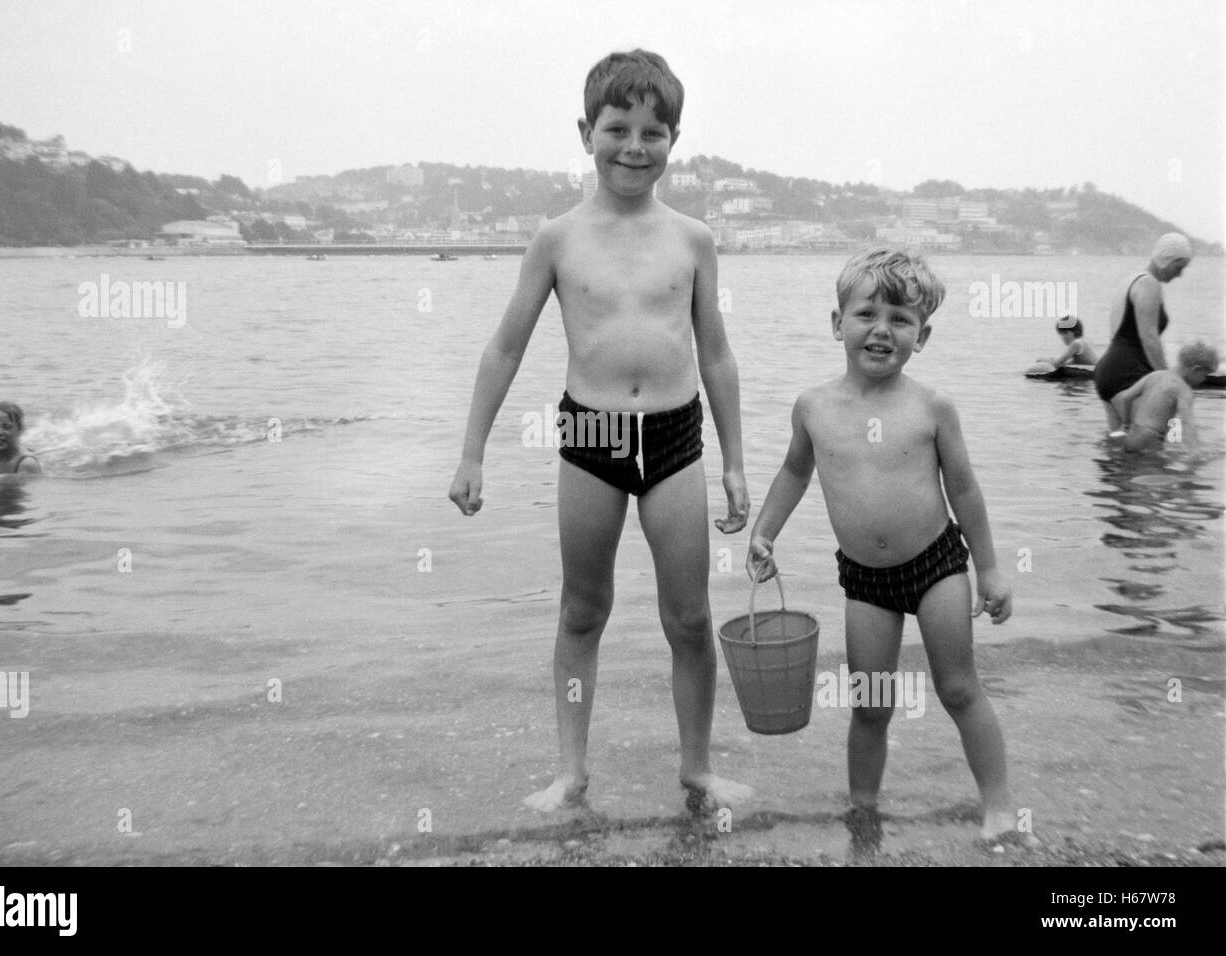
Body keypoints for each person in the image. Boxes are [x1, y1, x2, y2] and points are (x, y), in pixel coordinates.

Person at [447, 50, 752, 812]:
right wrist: (472, 452)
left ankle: (697, 769)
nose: (634, 146)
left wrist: (737, 462)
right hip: (592, 437)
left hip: (675, 438)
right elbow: (505, 346)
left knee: (688, 616)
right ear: (586, 131)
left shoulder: (693, 239)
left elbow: (714, 352)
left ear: (674, 140)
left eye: (654, 132)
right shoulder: (557, 238)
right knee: (583, 610)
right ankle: (570, 771)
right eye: (618, 128)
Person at [747, 246, 1029, 849]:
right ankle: (863, 811)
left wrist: (991, 569)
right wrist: (765, 531)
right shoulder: (813, 408)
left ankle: (1000, 808)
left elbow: (966, 491)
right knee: (871, 702)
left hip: (936, 567)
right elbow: (795, 473)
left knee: (958, 688)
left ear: (921, 336)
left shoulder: (931, 408)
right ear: (837, 323)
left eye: (900, 320)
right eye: (867, 314)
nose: (882, 330)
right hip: (865, 580)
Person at [1093, 233, 1194, 430]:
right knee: (1151, 450)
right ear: (1168, 260)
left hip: (1108, 372)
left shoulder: (1130, 280)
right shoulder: (1149, 284)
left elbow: (1118, 334)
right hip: (1128, 374)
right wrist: (1168, 380)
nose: (1179, 274)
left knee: (1118, 449)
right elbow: (1149, 338)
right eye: (1179, 267)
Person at [1110, 341, 1218, 455]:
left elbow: (1126, 397)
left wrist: (1126, 425)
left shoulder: (1154, 375)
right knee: (1156, 472)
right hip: (1151, 439)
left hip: (1132, 434)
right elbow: (1187, 422)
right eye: (1204, 375)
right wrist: (1194, 452)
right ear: (1195, 369)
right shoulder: (1183, 390)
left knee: (1128, 469)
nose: (1204, 379)